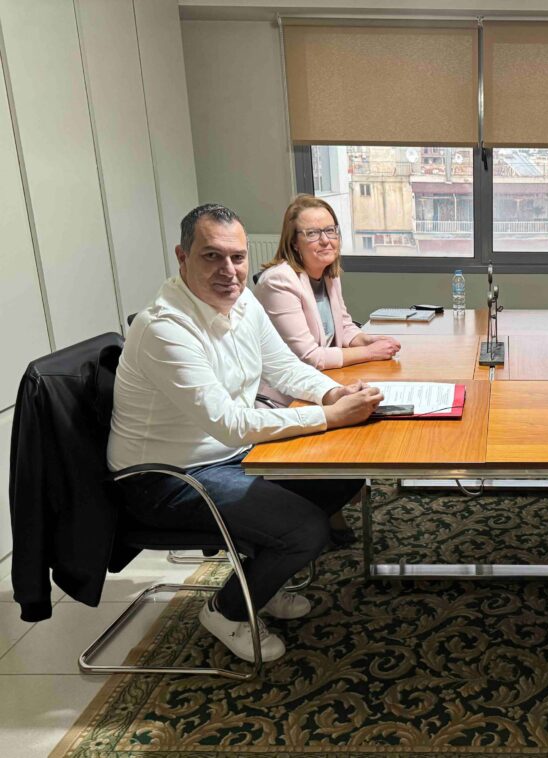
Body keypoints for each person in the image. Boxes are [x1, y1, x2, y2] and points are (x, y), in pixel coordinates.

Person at [107, 204, 383, 664]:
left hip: (229, 455)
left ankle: (263, 581)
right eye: (211, 256)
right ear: (182, 257)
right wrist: (330, 417)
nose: (228, 270)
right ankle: (226, 610)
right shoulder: (163, 328)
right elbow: (230, 424)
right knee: (305, 529)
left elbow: (285, 367)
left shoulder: (243, 302)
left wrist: (333, 393)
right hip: (167, 478)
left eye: (237, 257)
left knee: (342, 476)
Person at [254, 194, 400, 379]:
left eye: (330, 230)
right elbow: (309, 357)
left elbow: (344, 327)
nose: (325, 240)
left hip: (324, 377)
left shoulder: (328, 274)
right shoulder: (279, 282)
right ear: (294, 243)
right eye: (312, 233)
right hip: (286, 389)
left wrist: (367, 340)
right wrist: (370, 352)